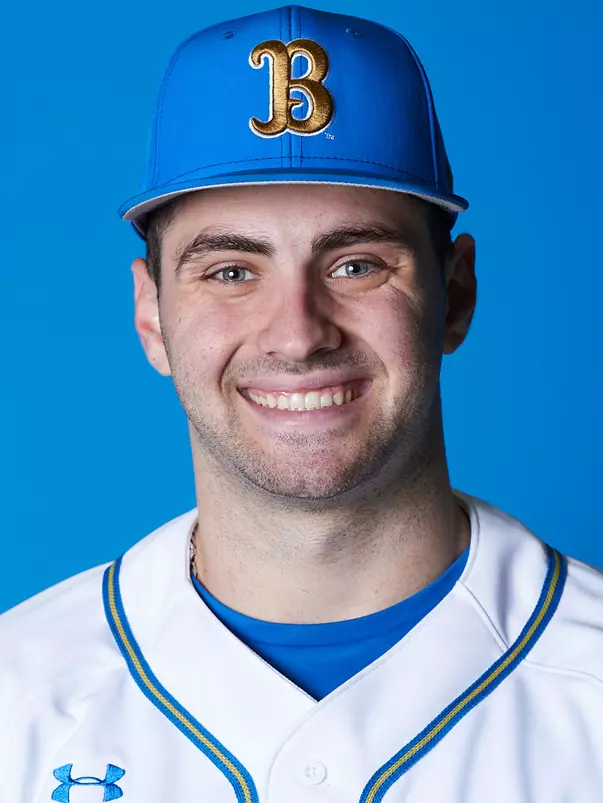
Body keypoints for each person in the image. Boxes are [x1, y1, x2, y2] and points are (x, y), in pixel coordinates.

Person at [1, 5, 602, 802]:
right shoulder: (19, 698)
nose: (297, 333)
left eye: (355, 264)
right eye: (229, 272)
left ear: (453, 295)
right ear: (151, 314)